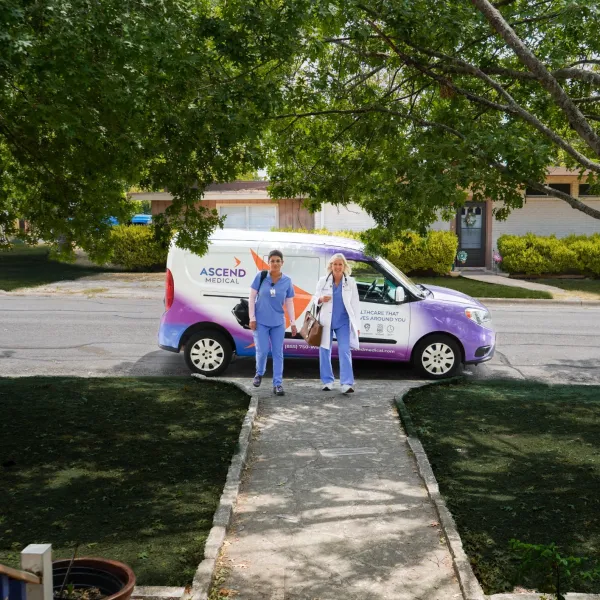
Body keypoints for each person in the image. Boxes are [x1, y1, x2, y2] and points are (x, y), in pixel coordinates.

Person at [249, 249, 297, 396]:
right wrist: (252, 318)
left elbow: (289, 303)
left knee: (278, 353)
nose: (275, 263)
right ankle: (259, 373)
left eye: (278, 261)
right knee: (262, 351)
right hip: (261, 322)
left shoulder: (287, 281)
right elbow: (251, 298)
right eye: (272, 261)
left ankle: (278, 384)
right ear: (268, 262)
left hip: (278, 323)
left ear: (282, 263)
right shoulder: (261, 276)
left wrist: (293, 322)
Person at [313, 253, 361, 393]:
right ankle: (327, 381)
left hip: (343, 322)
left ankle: (346, 383)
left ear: (344, 266)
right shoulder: (323, 280)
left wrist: (356, 325)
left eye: (340, 264)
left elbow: (355, 304)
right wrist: (321, 298)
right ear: (331, 266)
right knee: (324, 350)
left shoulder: (350, 282)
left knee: (345, 351)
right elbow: (315, 298)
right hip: (326, 322)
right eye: (335, 264)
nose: (338, 267)